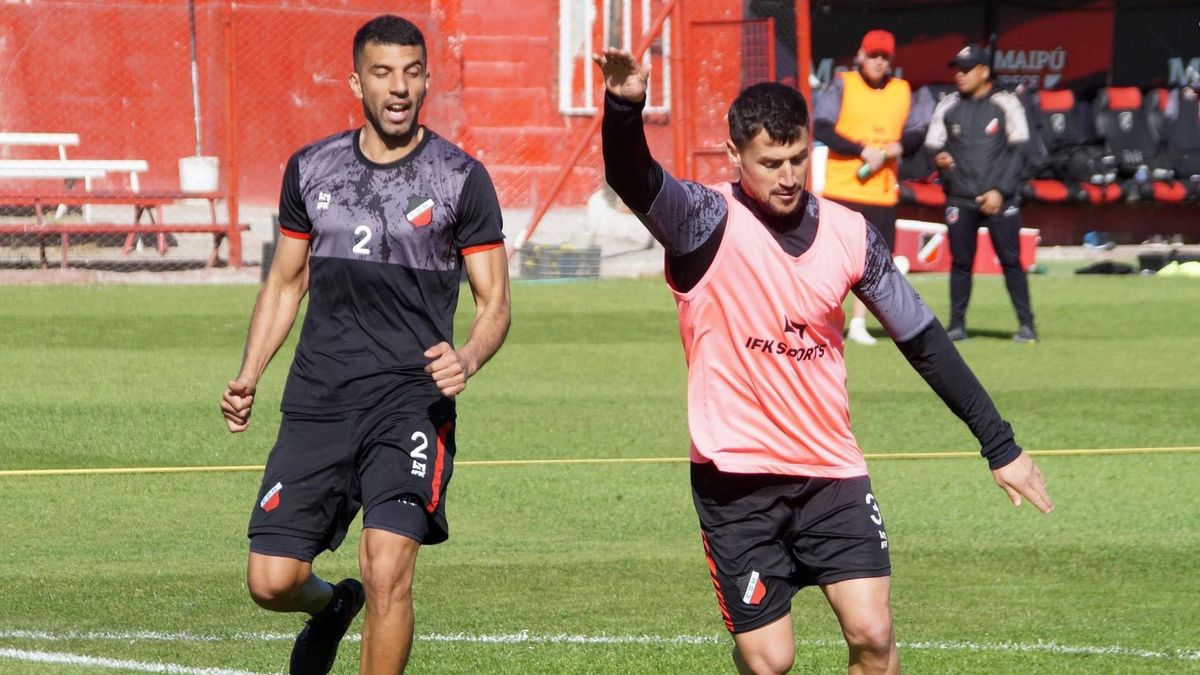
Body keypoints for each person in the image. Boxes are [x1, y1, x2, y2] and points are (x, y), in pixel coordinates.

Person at [592, 48, 1053, 675]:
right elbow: (631, 174)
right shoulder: (702, 221)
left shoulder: (850, 233)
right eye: (769, 163)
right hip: (738, 482)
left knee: (873, 633)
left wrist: (999, 444)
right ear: (734, 158)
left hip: (830, 472)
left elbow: (923, 340)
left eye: (797, 159)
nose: (787, 176)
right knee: (769, 661)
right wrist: (624, 106)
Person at [220, 15, 510, 675]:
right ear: (357, 81)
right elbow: (286, 284)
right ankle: (329, 607)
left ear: (428, 79)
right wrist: (249, 374)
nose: (399, 88)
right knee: (271, 579)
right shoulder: (313, 169)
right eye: (383, 73)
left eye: (411, 72)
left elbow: (495, 303)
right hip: (320, 397)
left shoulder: (460, 178)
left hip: (410, 404)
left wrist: (466, 356)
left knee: (387, 567)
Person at [813, 29, 932, 346]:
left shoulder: (902, 90)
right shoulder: (842, 84)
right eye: (873, 56)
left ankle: (858, 323)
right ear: (861, 56)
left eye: (884, 57)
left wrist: (896, 148)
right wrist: (860, 150)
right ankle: (823, 320)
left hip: (881, 190)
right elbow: (822, 126)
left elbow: (918, 131)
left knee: (875, 263)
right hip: (844, 187)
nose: (879, 62)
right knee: (833, 261)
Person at [925, 45, 1037, 343]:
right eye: (957, 69)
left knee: (1011, 261)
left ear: (984, 72)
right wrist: (939, 160)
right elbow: (932, 145)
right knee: (961, 263)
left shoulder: (1006, 103)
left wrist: (1000, 191)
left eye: (966, 69)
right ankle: (957, 325)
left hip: (1000, 200)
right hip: (960, 198)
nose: (959, 75)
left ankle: (1027, 325)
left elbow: (1019, 150)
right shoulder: (947, 104)